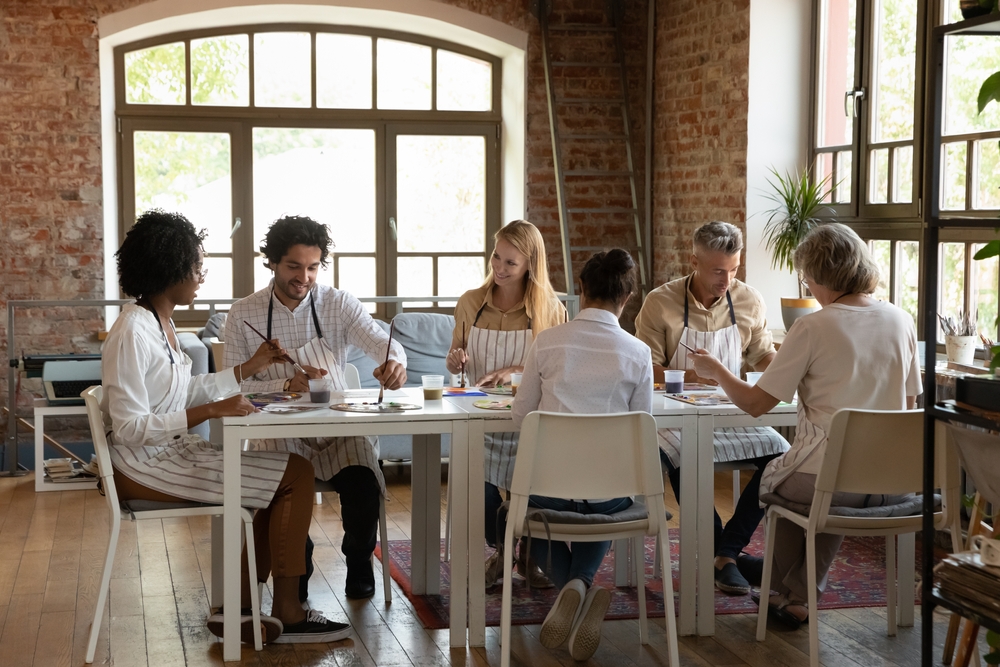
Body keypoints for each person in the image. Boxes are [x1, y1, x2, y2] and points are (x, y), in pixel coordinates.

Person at [103, 209, 350, 644]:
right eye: (196, 267)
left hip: (166, 455)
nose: (201, 276)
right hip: (143, 466)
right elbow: (128, 428)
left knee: (280, 473)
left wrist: (249, 368)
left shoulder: (159, 322)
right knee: (294, 473)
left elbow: (183, 389)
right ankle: (288, 611)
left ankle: (236, 608)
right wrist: (212, 412)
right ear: (169, 268)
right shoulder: (131, 331)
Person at [690, 223, 921, 628]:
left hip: (831, 480)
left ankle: (783, 588)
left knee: (779, 481)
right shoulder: (901, 320)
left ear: (819, 275)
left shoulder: (813, 326)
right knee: (828, 484)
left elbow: (756, 404)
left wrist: (717, 371)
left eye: (807, 278)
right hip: (893, 481)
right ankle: (792, 594)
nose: (808, 286)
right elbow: (909, 405)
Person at [223, 215, 407, 602]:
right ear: (271, 261)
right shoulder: (243, 313)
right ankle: (296, 573)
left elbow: (381, 341)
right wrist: (286, 385)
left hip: (337, 430)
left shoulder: (339, 304)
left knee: (363, 484)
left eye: (312, 267)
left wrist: (395, 363)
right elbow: (237, 385)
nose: (303, 277)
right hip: (279, 433)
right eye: (293, 266)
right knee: (281, 495)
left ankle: (359, 561)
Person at [633, 220, 789, 596]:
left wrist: (789, 366)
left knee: (783, 458)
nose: (727, 279)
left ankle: (726, 552)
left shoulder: (749, 300)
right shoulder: (661, 301)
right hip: (673, 415)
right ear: (695, 262)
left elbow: (763, 355)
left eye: (734, 269)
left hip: (733, 409)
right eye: (719, 270)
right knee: (683, 453)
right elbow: (645, 367)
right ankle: (728, 558)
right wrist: (690, 373)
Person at [511, 248, 651, 661]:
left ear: (580, 290)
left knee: (522, 516)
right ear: (626, 298)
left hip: (548, 494)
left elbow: (522, 417)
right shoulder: (637, 353)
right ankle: (582, 586)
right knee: (608, 491)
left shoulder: (548, 342)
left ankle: (572, 587)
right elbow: (641, 425)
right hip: (607, 496)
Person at [444, 219, 567, 588]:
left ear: (531, 264)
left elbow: (557, 366)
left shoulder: (550, 308)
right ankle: (504, 547)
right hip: (477, 417)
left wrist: (514, 370)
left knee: (534, 487)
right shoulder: (470, 302)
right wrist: (454, 360)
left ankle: (522, 553)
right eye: (496, 257)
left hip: (530, 419)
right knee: (478, 489)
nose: (499, 267)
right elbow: (455, 357)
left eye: (510, 263)